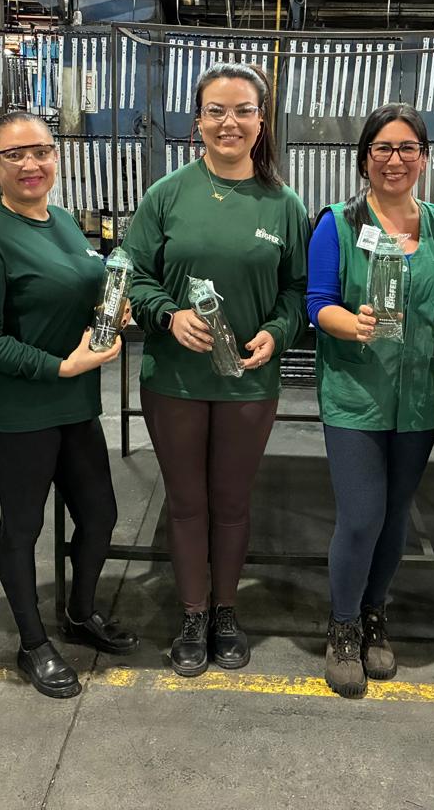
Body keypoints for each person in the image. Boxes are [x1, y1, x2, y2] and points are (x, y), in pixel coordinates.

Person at [124, 62, 311, 677]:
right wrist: (168, 315)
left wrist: (277, 332)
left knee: (231, 503)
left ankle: (226, 611)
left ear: (262, 121)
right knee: (185, 503)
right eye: (216, 111)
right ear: (198, 121)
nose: (230, 123)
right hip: (174, 380)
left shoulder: (284, 205)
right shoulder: (167, 195)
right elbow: (133, 274)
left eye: (243, 111)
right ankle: (192, 613)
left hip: (248, 381)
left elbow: (298, 291)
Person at [0, 111, 138, 699]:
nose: (31, 164)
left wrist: (110, 311)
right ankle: (32, 642)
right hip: (17, 410)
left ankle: (80, 613)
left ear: (56, 156)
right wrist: (61, 366)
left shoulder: (61, 221)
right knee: (24, 524)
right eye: (15, 155)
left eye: (41, 150)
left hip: (74, 401)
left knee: (100, 513)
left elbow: (74, 291)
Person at [306, 103, 434, 698]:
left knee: (396, 517)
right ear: (364, 157)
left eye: (407, 148)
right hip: (357, 395)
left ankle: (375, 614)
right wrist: (353, 324)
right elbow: (317, 303)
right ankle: (343, 625)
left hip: (419, 398)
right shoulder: (338, 223)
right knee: (362, 515)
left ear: (424, 157)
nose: (395, 160)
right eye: (383, 148)